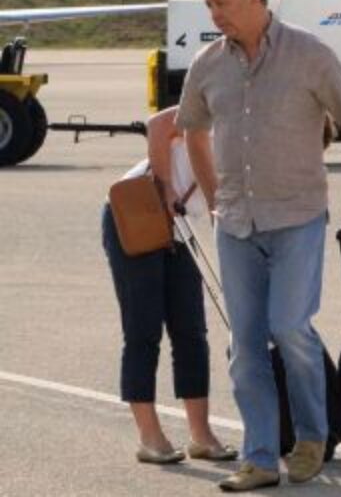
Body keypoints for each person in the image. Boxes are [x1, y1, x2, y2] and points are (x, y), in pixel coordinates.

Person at [178, 0, 341, 492]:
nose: (213, 14)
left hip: (297, 217)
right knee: (245, 348)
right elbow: (191, 130)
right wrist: (214, 199)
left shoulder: (309, 54)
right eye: (208, 4)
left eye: (221, 3)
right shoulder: (207, 64)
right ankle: (260, 458)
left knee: (288, 327)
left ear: (255, 0)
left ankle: (311, 435)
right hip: (236, 223)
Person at [103, 107, 237, 468]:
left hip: (179, 225)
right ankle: (150, 437)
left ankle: (201, 435)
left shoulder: (260, 121)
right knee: (143, 330)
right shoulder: (217, 92)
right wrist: (165, 187)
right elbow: (159, 125)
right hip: (137, 211)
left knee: (191, 331)